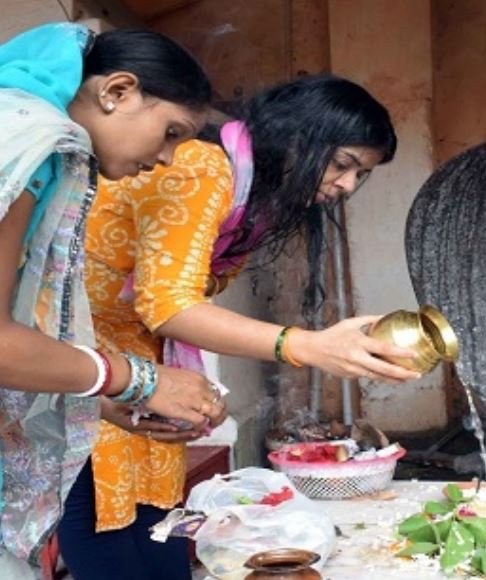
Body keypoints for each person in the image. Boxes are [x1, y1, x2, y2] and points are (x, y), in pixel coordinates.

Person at [57, 75, 421, 580]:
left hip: (141, 355)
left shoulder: (255, 196)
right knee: (101, 508)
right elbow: (169, 304)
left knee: (157, 514)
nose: (346, 187)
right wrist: (308, 347)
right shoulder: (203, 165)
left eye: (360, 175)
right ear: (298, 136)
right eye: (342, 165)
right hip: (75, 348)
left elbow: (180, 299)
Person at [0, 23, 227, 576]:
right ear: (117, 92)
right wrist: (142, 379)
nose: (169, 159)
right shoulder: (30, 146)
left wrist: (102, 406)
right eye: (171, 131)